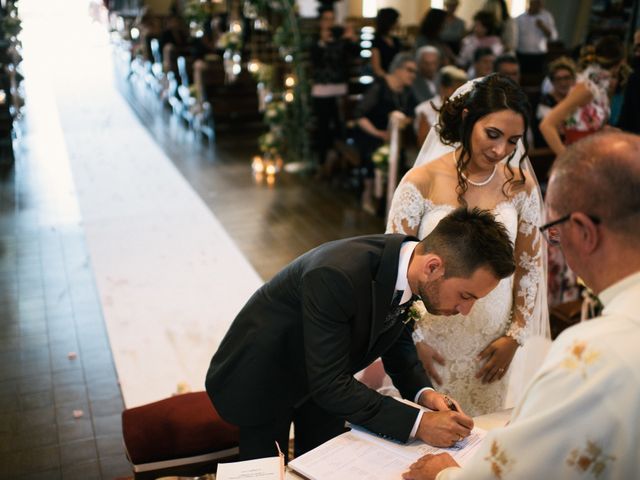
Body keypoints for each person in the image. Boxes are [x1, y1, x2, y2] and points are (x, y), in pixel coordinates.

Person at [401, 132, 640, 480]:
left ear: (584, 231)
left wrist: (442, 474)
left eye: (555, 232)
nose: (554, 246)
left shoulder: (591, 353)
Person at [206, 208, 517, 461]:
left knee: (325, 464)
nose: (465, 310)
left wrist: (425, 396)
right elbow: (329, 384)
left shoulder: (408, 267)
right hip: (263, 379)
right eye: (466, 295)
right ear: (433, 267)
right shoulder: (335, 275)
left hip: (322, 380)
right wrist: (419, 424)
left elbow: (397, 341)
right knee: (265, 471)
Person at [387, 74, 549, 417]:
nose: (501, 149)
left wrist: (515, 336)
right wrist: (413, 341)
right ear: (466, 119)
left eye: (513, 140)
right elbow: (393, 268)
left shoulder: (520, 187)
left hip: (492, 344)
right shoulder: (421, 182)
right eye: (492, 134)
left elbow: (531, 266)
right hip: (430, 337)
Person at [354, 53, 418, 213]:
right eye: (409, 70)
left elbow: (412, 113)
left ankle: (391, 200)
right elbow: (359, 114)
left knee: (401, 156)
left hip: (394, 137)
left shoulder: (407, 91)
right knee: (373, 153)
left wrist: (404, 121)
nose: (413, 75)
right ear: (397, 69)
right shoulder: (379, 86)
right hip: (373, 133)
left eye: (415, 72)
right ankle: (368, 195)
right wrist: (378, 133)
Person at [540, 35, 625, 156]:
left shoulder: (598, 87)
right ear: (619, 63)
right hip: (578, 154)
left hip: (591, 152)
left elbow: (584, 124)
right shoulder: (586, 88)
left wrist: (603, 130)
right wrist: (566, 158)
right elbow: (546, 125)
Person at [309, 6, 358, 175]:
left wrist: (351, 39)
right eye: (326, 19)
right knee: (323, 127)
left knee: (339, 126)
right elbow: (316, 61)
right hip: (322, 90)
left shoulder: (340, 37)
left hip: (339, 88)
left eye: (332, 19)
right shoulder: (315, 40)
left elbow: (354, 53)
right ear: (321, 21)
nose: (329, 22)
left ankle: (340, 162)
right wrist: (323, 43)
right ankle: (323, 162)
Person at [414, 66, 468, 146]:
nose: (460, 93)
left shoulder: (466, 109)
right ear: (443, 88)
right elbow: (423, 144)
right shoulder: (425, 109)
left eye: (462, 89)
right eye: (455, 89)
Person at [534, 56, 576, 149]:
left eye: (567, 78)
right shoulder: (545, 102)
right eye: (558, 79)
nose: (563, 83)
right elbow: (557, 131)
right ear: (552, 82)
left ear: (573, 79)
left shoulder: (577, 98)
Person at [515, 0, 558, 74]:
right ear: (531, 2)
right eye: (537, 2)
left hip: (539, 56)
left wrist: (543, 27)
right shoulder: (520, 18)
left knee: (536, 79)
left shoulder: (547, 17)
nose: (540, 5)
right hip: (521, 55)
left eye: (541, 2)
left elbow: (554, 37)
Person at [371, 7, 401, 77]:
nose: (398, 23)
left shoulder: (396, 40)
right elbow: (377, 69)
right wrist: (390, 78)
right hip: (384, 80)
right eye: (396, 21)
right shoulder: (377, 42)